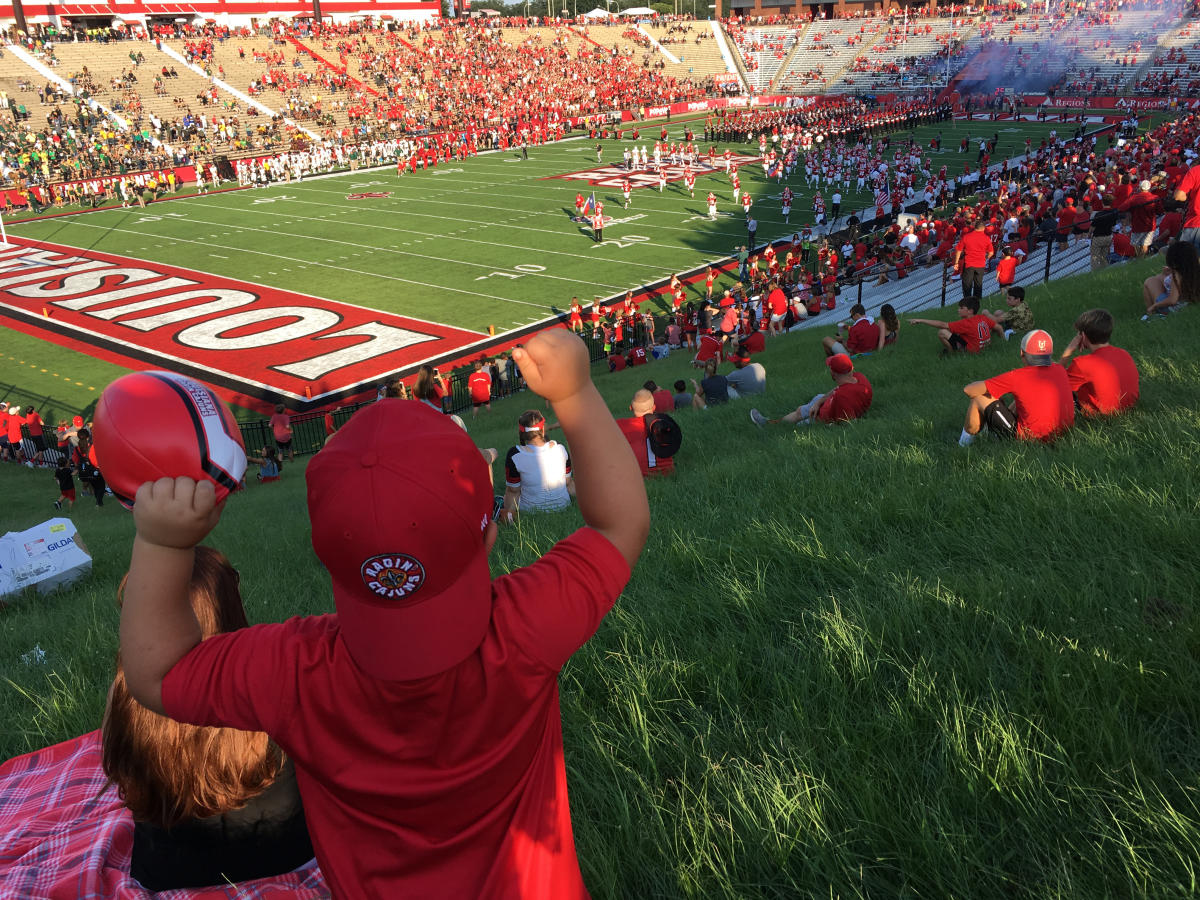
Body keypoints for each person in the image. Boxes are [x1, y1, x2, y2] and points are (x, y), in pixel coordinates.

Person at [117, 328, 650, 898]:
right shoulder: (525, 629)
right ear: (489, 532)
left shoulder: (294, 673)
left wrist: (164, 545)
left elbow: (157, 674)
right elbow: (620, 522)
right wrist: (574, 393)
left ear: (329, 556)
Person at [102, 546, 313, 891]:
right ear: (230, 603)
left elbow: (123, 776)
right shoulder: (274, 681)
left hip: (167, 871)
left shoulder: (125, 697)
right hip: (286, 854)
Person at [958, 329, 1074, 446]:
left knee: (979, 399)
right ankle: (991, 431)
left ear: (1022, 353)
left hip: (1030, 439)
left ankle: (963, 445)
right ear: (1050, 354)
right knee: (1020, 397)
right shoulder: (1060, 369)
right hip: (1062, 434)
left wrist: (989, 387)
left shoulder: (1017, 376)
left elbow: (968, 390)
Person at [749, 354, 871, 427]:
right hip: (826, 403)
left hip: (821, 417)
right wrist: (820, 402)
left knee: (798, 423)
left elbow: (847, 422)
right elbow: (837, 389)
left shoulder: (842, 397)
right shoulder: (859, 378)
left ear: (833, 373)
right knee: (813, 401)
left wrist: (825, 423)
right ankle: (772, 422)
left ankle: (769, 425)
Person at [1059, 308, 1139, 415]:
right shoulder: (1124, 354)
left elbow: (1057, 381)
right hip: (1129, 408)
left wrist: (1068, 351)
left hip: (1101, 416)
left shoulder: (1082, 364)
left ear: (1082, 336)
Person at [499, 409, 574, 521]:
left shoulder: (515, 454)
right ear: (543, 430)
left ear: (521, 433)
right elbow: (568, 482)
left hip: (530, 511)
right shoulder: (560, 448)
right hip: (563, 506)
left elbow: (513, 491)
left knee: (508, 494)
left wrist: (508, 509)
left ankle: (508, 517)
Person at [910, 297, 1002, 355]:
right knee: (957, 332)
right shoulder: (982, 317)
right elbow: (999, 327)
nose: (958, 310)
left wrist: (921, 320)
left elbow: (942, 325)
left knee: (942, 332)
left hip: (973, 351)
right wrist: (1003, 340)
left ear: (970, 311)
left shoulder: (966, 323)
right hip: (985, 347)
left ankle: (952, 353)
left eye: (961, 308)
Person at [617, 388, 676, 477]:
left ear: (631, 408)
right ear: (654, 407)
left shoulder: (622, 425)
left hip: (639, 477)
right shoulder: (665, 423)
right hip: (668, 473)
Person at [1142, 240, 1199, 318]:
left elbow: (1172, 300)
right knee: (1159, 277)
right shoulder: (1194, 271)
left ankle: (1151, 312)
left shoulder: (1177, 275)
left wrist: (1155, 305)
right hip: (1188, 303)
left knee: (1149, 281)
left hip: (1173, 309)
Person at [953, 219, 994, 301]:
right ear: (983, 228)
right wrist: (985, 258)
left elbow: (958, 250)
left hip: (969, 263)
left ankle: (967, 301)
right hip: (980, 264)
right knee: (978, 284)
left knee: (967, 285)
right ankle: (977, 301)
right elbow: (991, 253)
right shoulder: (986, 238)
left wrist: (956, 263)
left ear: (975, 227)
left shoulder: (967, 236)